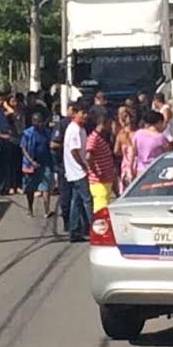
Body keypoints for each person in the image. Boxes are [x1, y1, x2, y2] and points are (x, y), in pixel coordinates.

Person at [63, 103, 92, 242]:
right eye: (82, 113)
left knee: (77, 201)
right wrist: (82, 165)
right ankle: (94, 229)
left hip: (77, 170)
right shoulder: (73, 130)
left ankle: (74, 231)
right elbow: (74, 150)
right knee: (87, 200)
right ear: (74, 114)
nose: (84, 116)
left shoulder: (81, 129)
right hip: (78, 171)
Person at [20, 111, 53, 217]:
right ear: (33, 122)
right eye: (37, 122)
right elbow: (23, 148)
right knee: (30, 188)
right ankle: (30, 208)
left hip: (45, 162)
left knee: (46, 187)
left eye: (41, 122)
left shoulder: (46, 132)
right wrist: (31, 161)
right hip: (30, 164)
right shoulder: (27, 133)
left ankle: (46, 210)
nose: (39, 124)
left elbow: (50, 144)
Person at [86, 108, 115, 213]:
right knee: (100, 209)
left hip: (106, 180)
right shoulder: (94, 138)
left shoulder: (101, 137)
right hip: (99, 181)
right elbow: (88, 156)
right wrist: (96, 171)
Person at [50, 102, 73, 231]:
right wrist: (68, 146)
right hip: (63, 166)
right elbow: (53, 144)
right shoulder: (62, 124)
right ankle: (67, 222)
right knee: (66, 195)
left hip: (77, 167)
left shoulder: (81, 125)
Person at [131, 110, 169, 177]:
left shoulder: (138, 133)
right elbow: (167, 153)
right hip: (156, 169)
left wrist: (131, 167)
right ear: (159, 122)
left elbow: (133, 152)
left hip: (141, 169)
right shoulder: (160, 137)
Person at [114, 106, 138, 194]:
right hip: (138, 164)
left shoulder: (121, 135)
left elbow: (116, 151)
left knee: (126, 189)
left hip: (125, 164)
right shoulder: (139, 133)